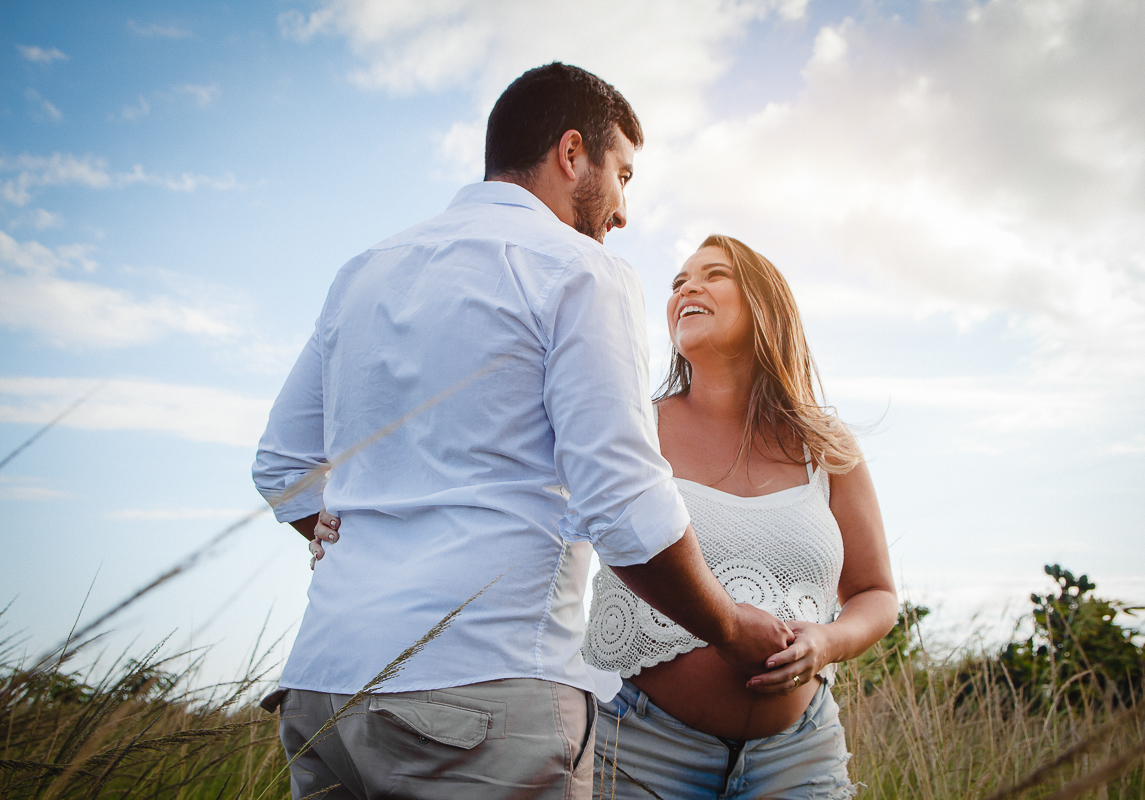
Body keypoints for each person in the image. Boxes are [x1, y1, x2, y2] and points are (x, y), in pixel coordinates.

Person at [253, 64, 794, 800]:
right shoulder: (579, 270)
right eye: (623, 175)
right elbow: (621, 501)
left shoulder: (365, 271)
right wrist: (730, 627)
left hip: (324, 690)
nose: (624, 212)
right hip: (483, 693)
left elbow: (283, 463)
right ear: (573, 154)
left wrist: (352, 534)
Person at [580, 235, 898, 798]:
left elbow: (875, 593)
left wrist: (826, 642)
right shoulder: (638, 430)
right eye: (678, 281)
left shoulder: (825, 445)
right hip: (642, 751)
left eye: (713, 274)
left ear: (763, 306)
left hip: (799, 755)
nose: (687, 288)